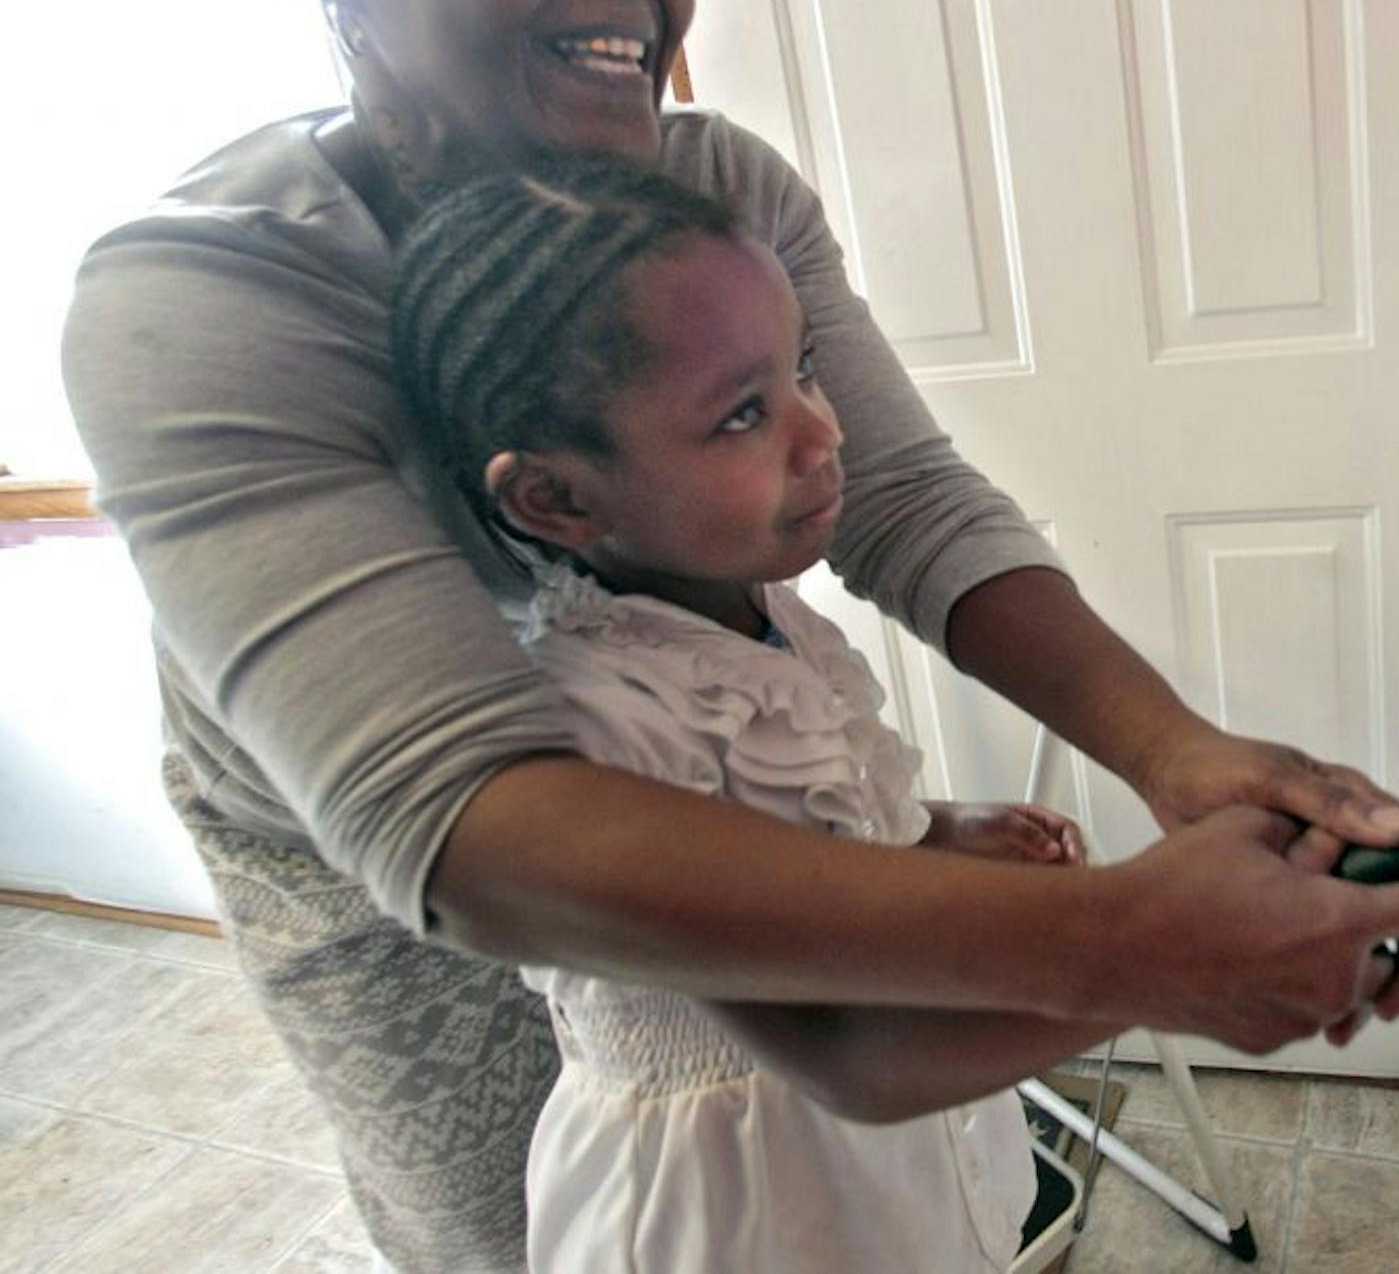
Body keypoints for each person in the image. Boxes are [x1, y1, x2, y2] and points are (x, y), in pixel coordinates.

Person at [61, 0, 1399, 1268]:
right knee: (509, 1221)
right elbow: (464, 816)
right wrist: (1122, 944)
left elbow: (905, 501)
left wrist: (1169, 754)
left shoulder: (720, 202)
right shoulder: (203, 297)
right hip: (379, 851)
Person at [392, 155, 1112, 1271]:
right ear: (558, 498)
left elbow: (798, 823)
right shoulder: (589, 724)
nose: (823, 433)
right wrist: (1159, 958)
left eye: (806, 371)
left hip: (880, 1164)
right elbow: (835, 1035)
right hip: (742, 1203)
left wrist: (927, 829)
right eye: (742, 412)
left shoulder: (767, 612)